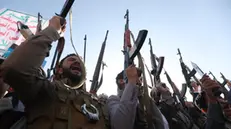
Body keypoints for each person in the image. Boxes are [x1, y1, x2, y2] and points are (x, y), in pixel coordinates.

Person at [0, 16, 132, 129]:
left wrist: (132, 83)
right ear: (59, 69)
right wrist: (52, 31)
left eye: (79, 61)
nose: (77, 62)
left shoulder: (103, 103)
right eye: (71, 60)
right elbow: (14, 69)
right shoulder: (44, 90)